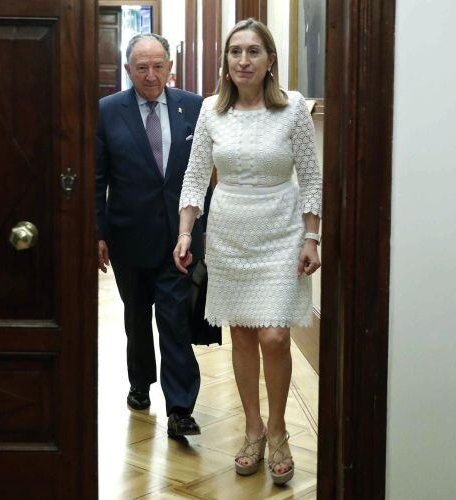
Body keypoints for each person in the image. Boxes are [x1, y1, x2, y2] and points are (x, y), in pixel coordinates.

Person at [174, 19, 322, 485]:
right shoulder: (211, 110)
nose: (243, 60)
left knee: (275, 337)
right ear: (226, 61)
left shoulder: (294, 108)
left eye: (253, 51)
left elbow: (312, 176)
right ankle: (252, 428)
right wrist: (184, 233)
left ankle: (279, 430)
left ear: (270, 59)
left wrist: (312, 236)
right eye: (235, 52)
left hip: (280, 229)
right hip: (230, 233)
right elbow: (196, 175)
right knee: (241, 336)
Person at [95, 33, 206, 437]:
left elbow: (204, 173)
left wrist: (197, 231)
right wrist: (98, 231)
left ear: (170, 66)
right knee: (137, 314)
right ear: (128, 70)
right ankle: (140, 382)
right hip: (128, 234)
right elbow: (97, 176)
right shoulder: (108, 111)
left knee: (174, 317)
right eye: (141, 67)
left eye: (158, 65)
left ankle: (180, 407)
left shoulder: (193, 107)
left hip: (180, 235)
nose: (151, 74)